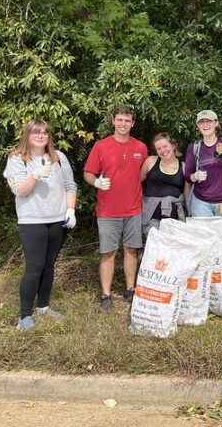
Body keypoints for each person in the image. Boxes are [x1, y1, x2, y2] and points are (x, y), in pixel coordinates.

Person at [3, 120, 77, 330]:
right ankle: (24, 316)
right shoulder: (17, 159)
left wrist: (70, 210)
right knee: (34, 267)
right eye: (36, 132)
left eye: (45, 132)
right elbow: (20, 191)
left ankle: (43, 306)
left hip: (57, 220)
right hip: (32, 220)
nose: (41, 135)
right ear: (27, 135)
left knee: (49, 265)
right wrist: (34, 176)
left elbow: (71, 186)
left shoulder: (59, 158)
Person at [83, 105, 148, 311]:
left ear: (133, 123)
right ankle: (106, 295)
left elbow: (144, 173)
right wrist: (96, 183)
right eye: (119, 120)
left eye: (127, 121)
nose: (123, 124)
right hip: (108, 211)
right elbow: (88, 173)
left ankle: (130, 289)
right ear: (113, 121)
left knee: (132, 250)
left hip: (134, 209)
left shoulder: (141, 147)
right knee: (108, 253)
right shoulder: (101, 146)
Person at [140, 133, 189, 236]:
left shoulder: (184, 167)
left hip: (174, 217)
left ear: (173, 146)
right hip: (152, 215)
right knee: (154, 247)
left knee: (173, 248)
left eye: (165, 146)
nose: (163, 151)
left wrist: (189, 214)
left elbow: (187, 193)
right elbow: (136, 182)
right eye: (159, 148)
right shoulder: (150, 162)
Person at [184, 109, 222, 217]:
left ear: (216, 123)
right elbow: (187, 175)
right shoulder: (194, 147)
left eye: (209, 121)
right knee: (203, 234)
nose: (205, 125)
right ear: (198, 125)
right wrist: (195, 176)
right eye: (201, 122)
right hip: (201, 203)